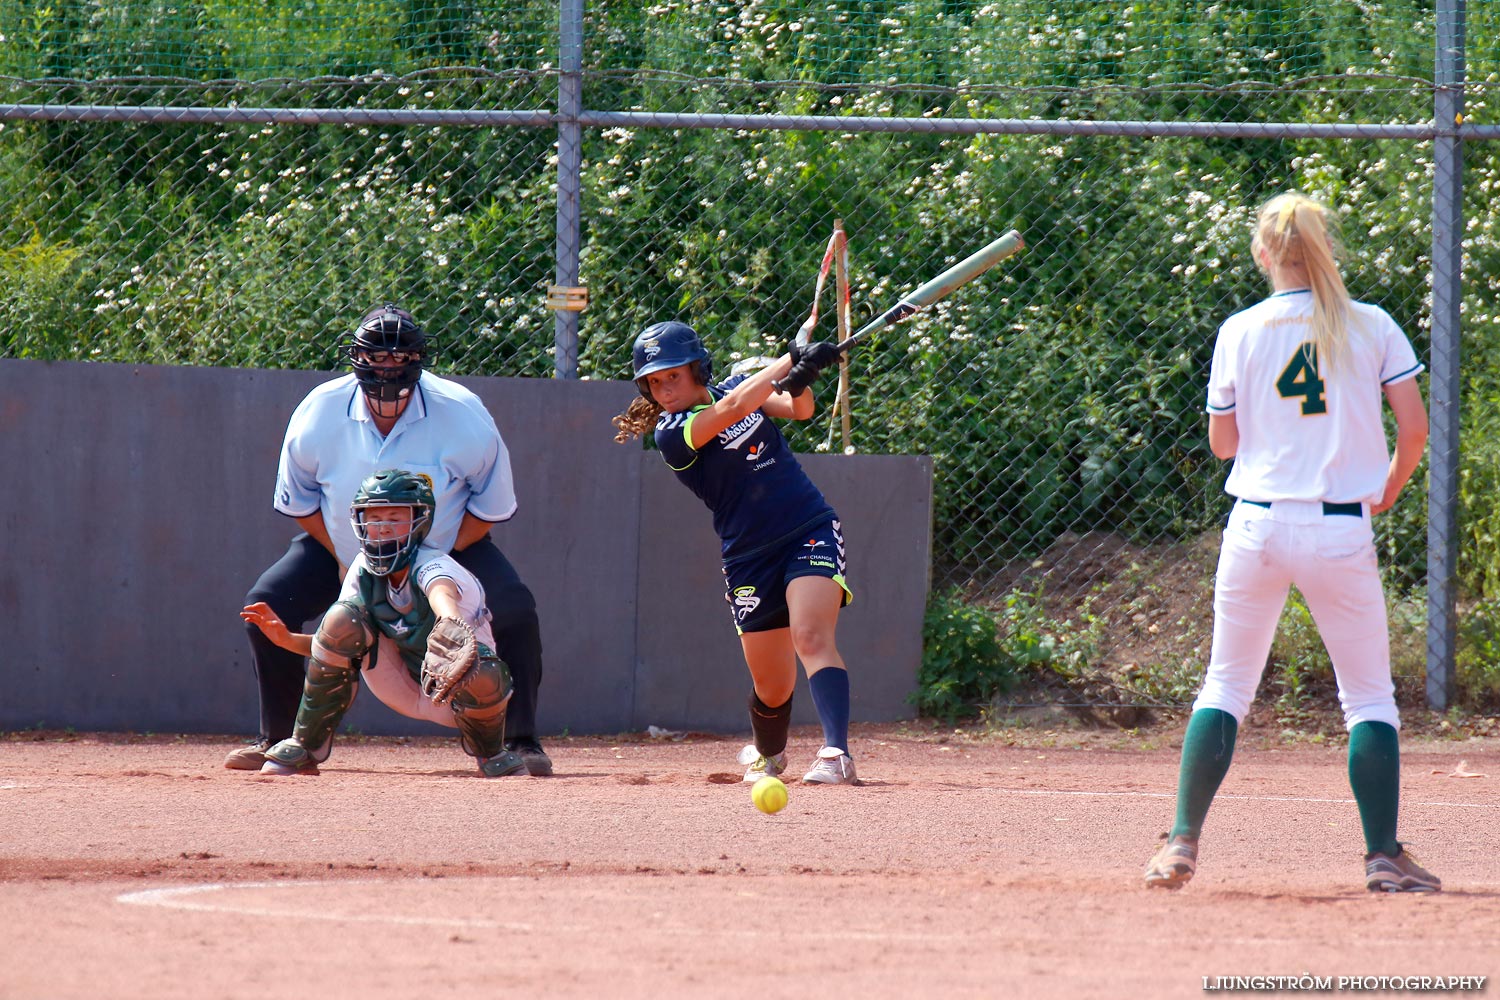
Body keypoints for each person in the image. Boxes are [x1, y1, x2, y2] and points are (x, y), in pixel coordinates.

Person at [1143, 192, 1438, 893]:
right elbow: (1417, 429)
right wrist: (1389, 483)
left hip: (1259, 522)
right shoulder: (1371, 325)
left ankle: (1181, 842)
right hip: (1339, 525)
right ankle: (1382, 856)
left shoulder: (1241, 328)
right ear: (1323, 247)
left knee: (1226, 684)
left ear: (1263, 254)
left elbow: (1221, 445)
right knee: (1367, 699)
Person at [228, 303, 551, 775]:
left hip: (444, 544)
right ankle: (281, 737)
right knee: (267, 606)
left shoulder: (461, 412)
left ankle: (520, 740)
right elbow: (302, 503)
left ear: (418, 363)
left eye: (399, 361)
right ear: (356, 360)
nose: (387, 371)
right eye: (376, 360)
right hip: (343, 545)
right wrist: (344, 558)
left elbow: (489, 509)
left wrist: (431, 566)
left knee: (516, 609)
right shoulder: (319, 410)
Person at [612, 321, 858, 785]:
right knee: (772, 685)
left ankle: (836, 753)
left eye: (674, 376)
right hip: (748, 557)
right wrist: (792, 356)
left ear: (698, 369)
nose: (665, 390)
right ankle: (771, 753)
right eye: (654, 381)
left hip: (808, 527)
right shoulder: (673, 433)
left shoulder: (735, 390)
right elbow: (734, 405)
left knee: (810, 635)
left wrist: (801, 375)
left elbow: (799, 409)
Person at [242, 469, 525, 777]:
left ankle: (491, 753)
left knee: (486, 673)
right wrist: (287, 640)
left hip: (456, 695)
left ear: (421, 521)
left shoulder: (436, 564)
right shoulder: (363, 568)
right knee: (341, 618)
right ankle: (305, 745)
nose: (382, 527)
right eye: (374, 518)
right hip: (398, 684)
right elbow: (334, 642)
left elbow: (440, 591)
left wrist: (449, 619)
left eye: (395, 517)